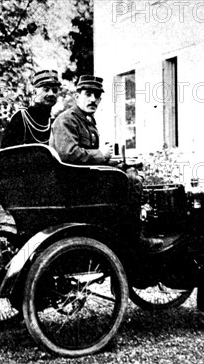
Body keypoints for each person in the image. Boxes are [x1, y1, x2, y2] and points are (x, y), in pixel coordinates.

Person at [50, 75, 160, 248]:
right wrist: (101, 154)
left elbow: (86, 161)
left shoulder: (86, 120)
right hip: (73, 188)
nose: (93, 99)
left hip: (81, 181)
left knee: (129, 172)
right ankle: (133, 240)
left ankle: (130, 233)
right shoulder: (67, 119)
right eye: (88, 94)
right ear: (77, 95)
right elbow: (68, 154)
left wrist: (118, 164)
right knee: (130, 182)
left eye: (97, 95)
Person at [1, 69, 61, 148]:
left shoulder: (54, 123)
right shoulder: (21, 118)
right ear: (34, 92)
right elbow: (7, 153)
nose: (51, 94)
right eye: (46, 89)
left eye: (54, 90)